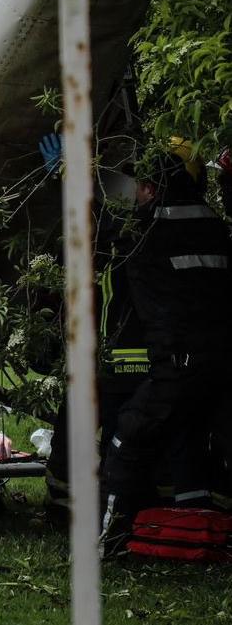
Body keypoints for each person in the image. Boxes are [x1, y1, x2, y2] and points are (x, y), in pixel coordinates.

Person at [100, 150, 232, 554]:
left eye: (139, 187)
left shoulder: (145, 232)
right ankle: (199, 520)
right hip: (222, 364)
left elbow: (100, 241)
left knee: (131, 433)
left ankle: (110, 538)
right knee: (191, 434)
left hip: (177, 365)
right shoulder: (217, 228)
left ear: (151, 187)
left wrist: (68, 182)